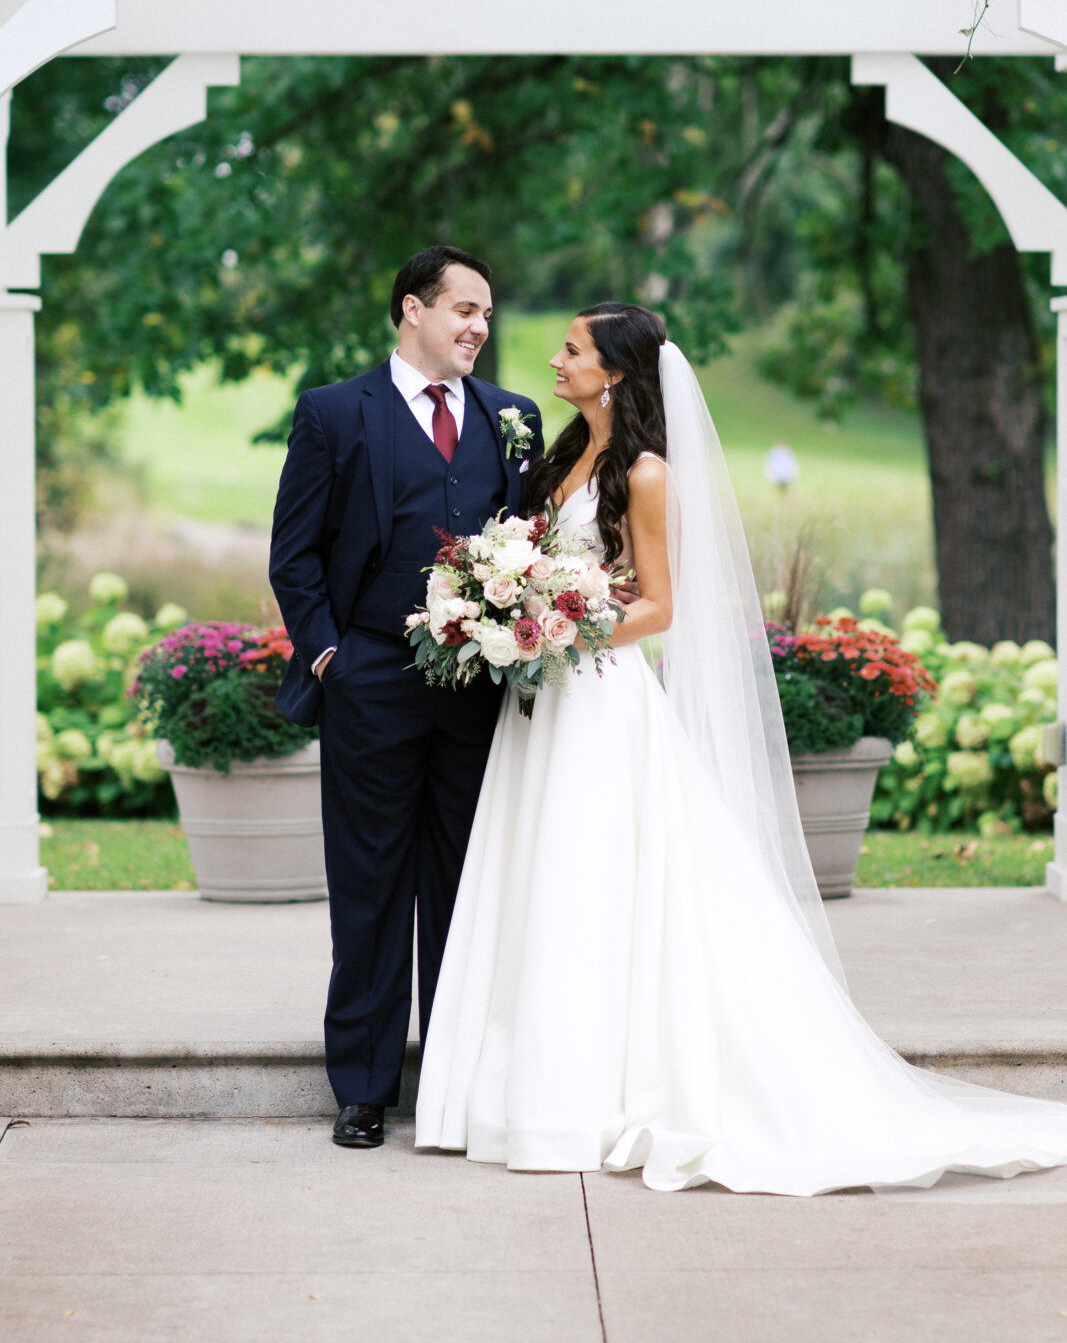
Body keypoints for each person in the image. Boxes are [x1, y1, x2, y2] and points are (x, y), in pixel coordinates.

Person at [415, 302, 1067, 1193]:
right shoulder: (560, 457)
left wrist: (556, 627)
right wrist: (506, 607)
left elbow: (658, 606)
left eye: (571, 349)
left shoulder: (646, 475)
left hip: (600, 702)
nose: (555, 359)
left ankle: (584, 1098)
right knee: (537, 875)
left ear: (614, 372)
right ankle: (516, 1089)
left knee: (591, 877)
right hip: (542, 706)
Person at [269, 245, 543, 1151]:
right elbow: (295, 555)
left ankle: (458, 1079)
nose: (478, 327)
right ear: (410, 311)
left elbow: (533, 545)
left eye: (488, 314)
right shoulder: (332, 413)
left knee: (467, 888)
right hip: (370, 680)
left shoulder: (513, 418)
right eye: (463, 308)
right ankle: (362, 1086)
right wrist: (328, 661)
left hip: (479, 689)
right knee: (370, 887)